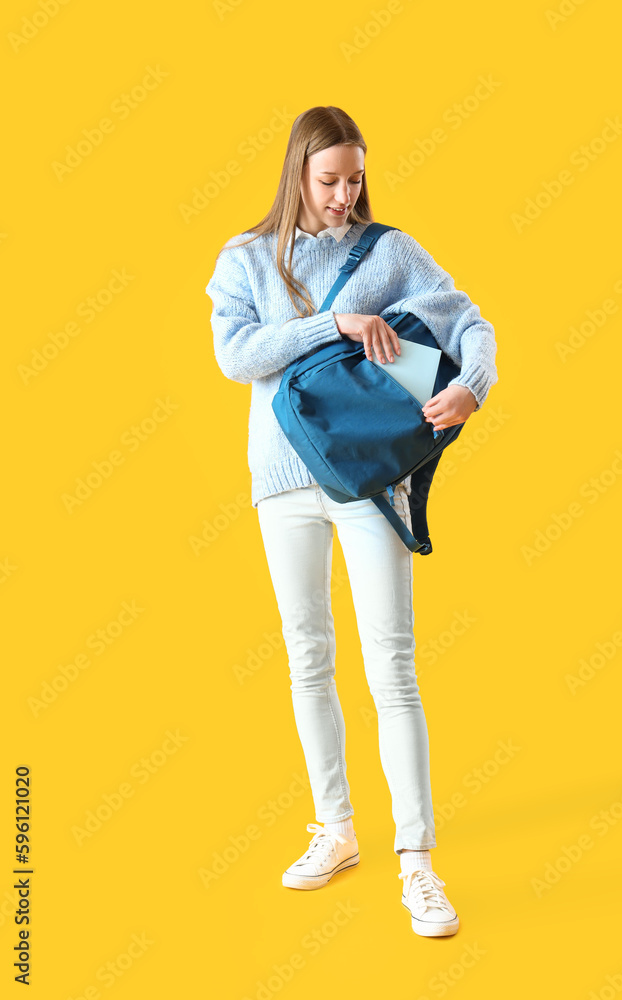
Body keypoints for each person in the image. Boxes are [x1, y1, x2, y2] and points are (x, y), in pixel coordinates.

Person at [205, 106, 498, 937]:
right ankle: (336, 831)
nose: (345, 196)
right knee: (308, 656)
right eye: (330, 180)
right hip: (282, 484)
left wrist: (473, 384)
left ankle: (418, 863)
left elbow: (469, 321)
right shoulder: (246, 259)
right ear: (297, 174)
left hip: (371, 482)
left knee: (392, 665)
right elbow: (238, 354)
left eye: (356, 179)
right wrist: (331, 323)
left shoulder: (391, 252)